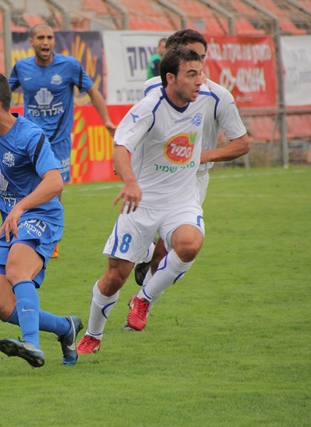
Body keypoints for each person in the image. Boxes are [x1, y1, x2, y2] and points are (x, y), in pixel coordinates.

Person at [76, 47, 209, 354]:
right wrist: (130, 182)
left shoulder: (208, 98)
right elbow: (120, 147)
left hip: (181, 200)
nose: (199, 81)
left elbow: (238, 137)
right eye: (191, 74)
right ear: (170, 78)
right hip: (142, 202)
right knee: (115, 276)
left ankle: (144, 298)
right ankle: (93, 335)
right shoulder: (150, 107)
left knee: (190, 244)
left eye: (200, 73)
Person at [0, 73, 83, 367]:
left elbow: (54, 183)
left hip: (41, 215)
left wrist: (21, 206)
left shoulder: (30, 136)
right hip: (11, 222)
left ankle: (31, 344)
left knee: (17, 269)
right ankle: (66, 328)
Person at [133, 29, 250, 292]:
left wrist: (204, 155)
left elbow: (242, 143)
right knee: (132, 250)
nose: (199, 63)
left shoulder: (219, 96)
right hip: (154, 175)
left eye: (202, 57)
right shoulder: (151, 88)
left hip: (191, 181)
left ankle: (142, 300)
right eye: (192, 55)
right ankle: (145, 254)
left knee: (174, 249)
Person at [8, 24, 117, 258]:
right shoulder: (21, 67)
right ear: (31, 42)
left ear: (54, 41)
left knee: (54, 191)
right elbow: (3, 94)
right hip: (31, 140)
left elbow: (92, 92)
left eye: (49, 37)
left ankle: (51, 239)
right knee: (28, 187)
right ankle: (26, 233)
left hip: (58, 142)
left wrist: (106, 120)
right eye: (40, 37)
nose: (45, 42)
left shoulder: (70, 66)